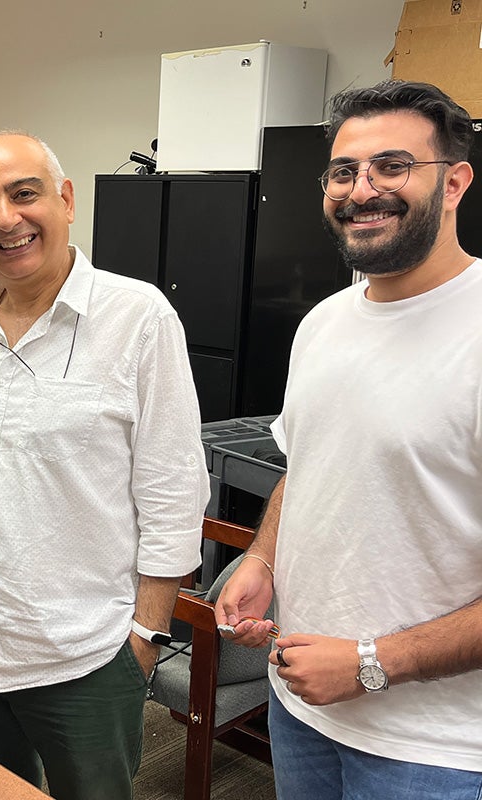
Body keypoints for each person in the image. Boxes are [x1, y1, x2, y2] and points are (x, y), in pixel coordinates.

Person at [0, 132, 208, 800]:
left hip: (86, 657)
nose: (4, 218)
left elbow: (173, 492)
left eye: (24, 193)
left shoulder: (137, 317)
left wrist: (145, 638)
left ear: (65, 201)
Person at [216, 81, 482, 799]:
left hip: (436, 750)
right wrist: (263, 557)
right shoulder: (324, 323)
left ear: (454, 182)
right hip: (303, 711)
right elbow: (306, 468)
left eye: (393, 166)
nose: (362, 190)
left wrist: (371, 663)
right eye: (344, 171)